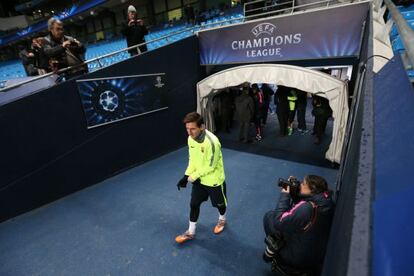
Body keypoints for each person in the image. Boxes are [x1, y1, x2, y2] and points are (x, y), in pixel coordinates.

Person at [263, 175, 335, 275]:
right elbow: (304, 210)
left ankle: (278, 256)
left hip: (298, 259)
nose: (300, 184)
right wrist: (295, 193)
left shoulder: (306, 208)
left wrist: (285, 195)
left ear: (312, 189)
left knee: (269, 218)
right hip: (315, 257)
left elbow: (278, 221)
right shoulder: (326, 202)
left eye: (303, 183)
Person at [175, 112, 228, 243]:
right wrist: (186, 175)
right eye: (187, 129)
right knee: (194, 204)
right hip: (199, 180)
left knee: (220, 205)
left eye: (192, 128)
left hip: (214, 180)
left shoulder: (213, 142)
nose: (189, 132)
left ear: (202, 127)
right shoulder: (190, 139)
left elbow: (211, 165)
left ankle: (222, 219)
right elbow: (192, 160)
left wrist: (193, 176)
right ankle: (191, 232)